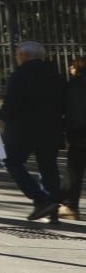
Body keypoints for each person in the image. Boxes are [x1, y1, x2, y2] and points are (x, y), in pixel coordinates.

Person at [2, 41, 68, 222]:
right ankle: (52, 209)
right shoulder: (56, 75)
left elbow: (12, 103)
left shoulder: (21, 75)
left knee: (11, 162)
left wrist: (3, 115)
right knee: (48, 167)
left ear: (23, 55)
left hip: (23, 129)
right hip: (51, 128)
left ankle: (40, 198)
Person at [64, 58, 86, 221]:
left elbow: (76, 110)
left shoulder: (76, 84)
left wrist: (72, 131)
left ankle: (70, 206)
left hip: (80, 133)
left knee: (74, 170)